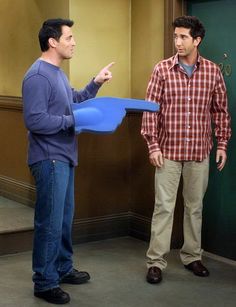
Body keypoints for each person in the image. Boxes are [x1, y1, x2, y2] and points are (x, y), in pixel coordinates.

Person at [22, 18, 113, 304]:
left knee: (62, 220)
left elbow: (73, 101)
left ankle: (61, 268)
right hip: (48, 158)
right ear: (52, 41)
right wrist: (71, 120)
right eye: (69, 37)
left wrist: (95, 84)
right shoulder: (38, 75)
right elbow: (34, 120)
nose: (74, 42)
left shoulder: (57, 74)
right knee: (49, 222)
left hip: (63, 157)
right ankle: (45, 282)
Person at [141, 15, 231, 284]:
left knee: (195, 208)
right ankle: (156, 261)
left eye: (183, 37)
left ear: (197, 40)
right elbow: (151, 110)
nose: (177, 42)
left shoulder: (213, 72)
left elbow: (221, 111)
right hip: (168, 152)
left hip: (199, 153)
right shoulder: (162, 70)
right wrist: (152, 145)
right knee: (164, 208)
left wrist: (223, 143)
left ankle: (192, 256)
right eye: (175, 36)